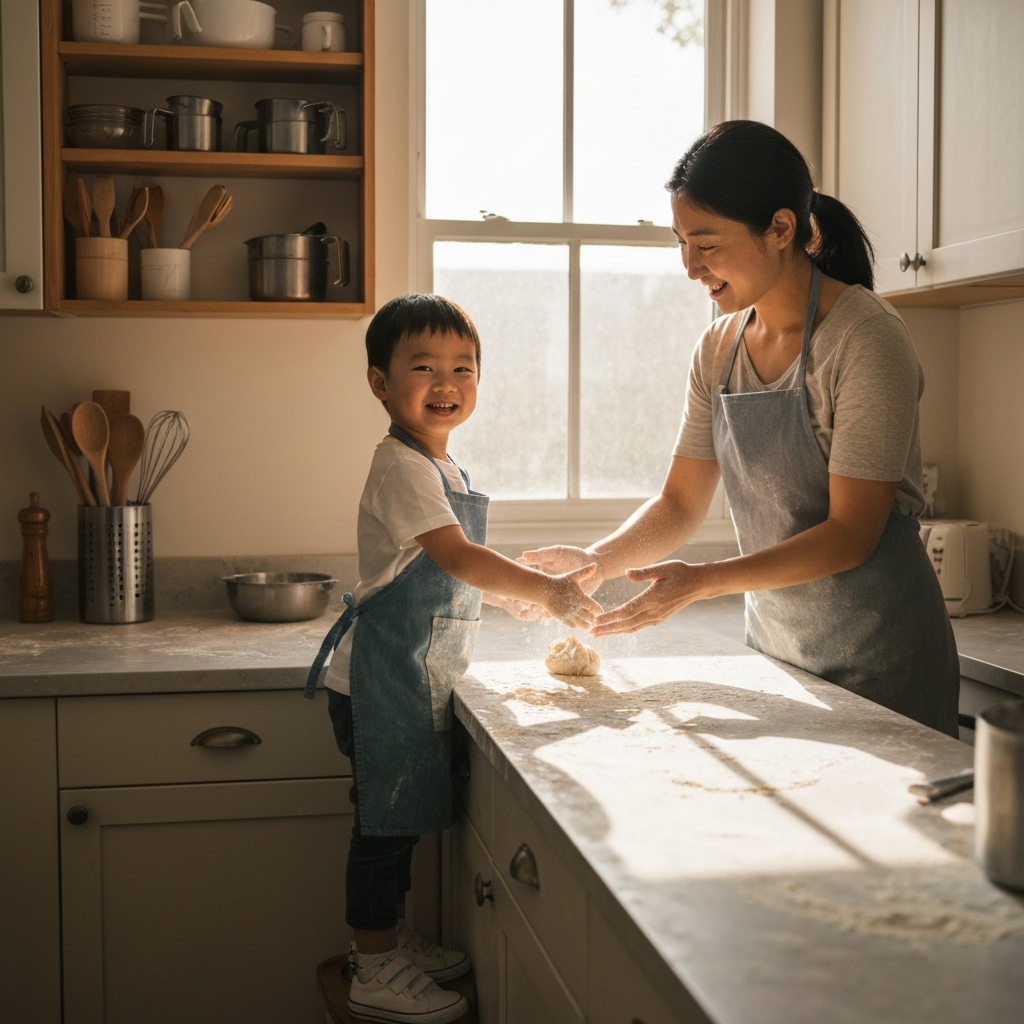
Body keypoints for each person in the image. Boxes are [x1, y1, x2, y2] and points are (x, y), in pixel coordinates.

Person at [525, 120, 959, 738]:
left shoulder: (866, 338)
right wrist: (597, 563)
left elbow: (850, 535)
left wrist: (700, 583)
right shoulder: (719, 347)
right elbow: (680, 502)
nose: (690, 266)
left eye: (706, 243)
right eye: (680, 243)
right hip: (782, 654)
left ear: (781, 228)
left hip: (883, 663)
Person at [305, 293, 600, 1024]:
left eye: (463, 368)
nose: (447, 383)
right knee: (382, 827)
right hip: (382, 682)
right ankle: (371, 963)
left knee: (400, 821)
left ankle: (391, 940)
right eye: (425, 367)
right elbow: (458, 555)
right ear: (379, 382)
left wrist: (511, 600)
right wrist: (550, 592)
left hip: (416, 673)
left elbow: (447, 570)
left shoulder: (441, 466)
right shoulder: (402, 466)